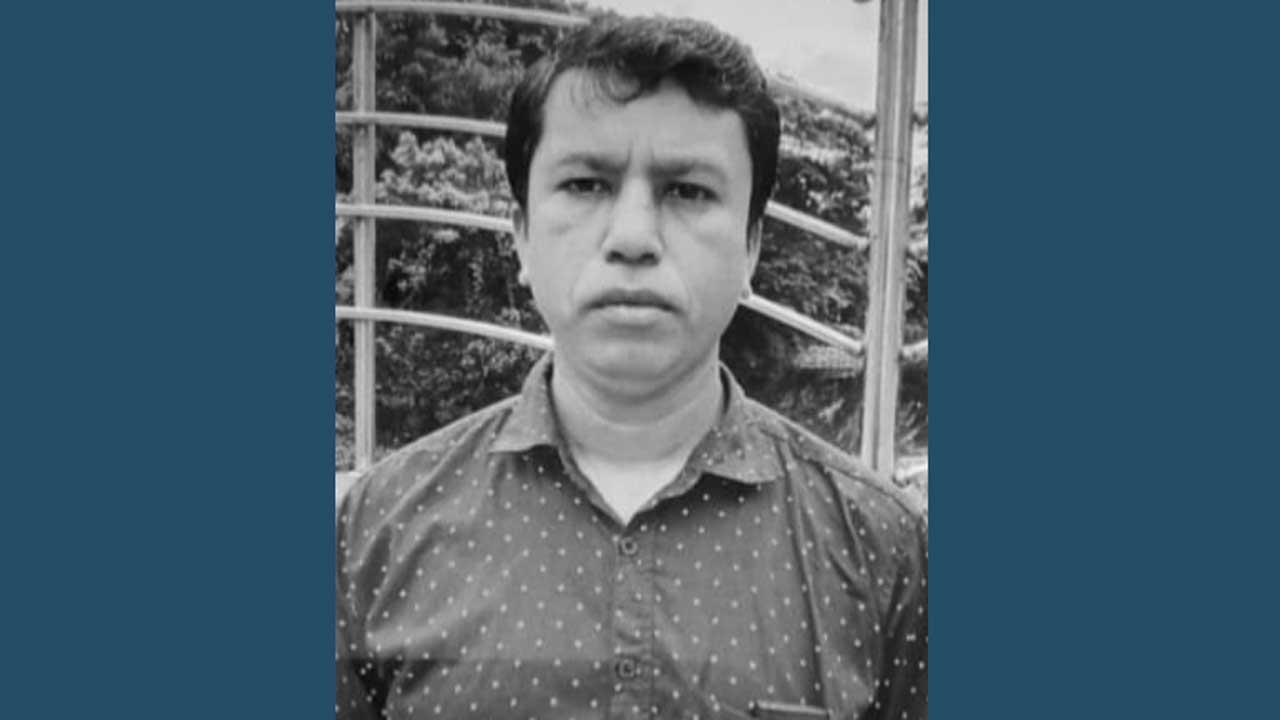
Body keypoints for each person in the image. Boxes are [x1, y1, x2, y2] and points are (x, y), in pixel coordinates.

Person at [337, 13, 927, 720]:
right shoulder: (378, 530)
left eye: (688, 191)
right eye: (587, 184)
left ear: (750, 248)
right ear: (521, 236)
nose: (633, 237)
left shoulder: (880, 548)